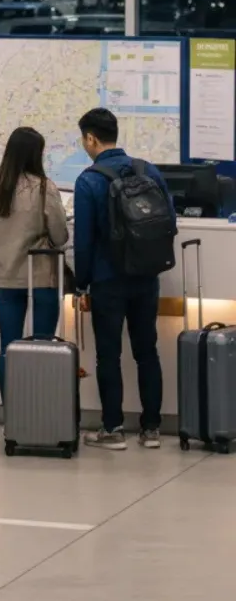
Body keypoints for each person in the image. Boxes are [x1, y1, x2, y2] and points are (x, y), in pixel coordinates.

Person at [72, 107, 171, 450]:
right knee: (147, 352)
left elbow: (82, 241)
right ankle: (152, 429)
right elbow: (168, 220)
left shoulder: (89, 180)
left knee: (108, 355)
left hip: (107, 280)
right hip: (146, 277)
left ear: (91, 138)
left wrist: (80, 282)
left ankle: (113, 429)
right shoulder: (149, 170)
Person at [0, 126, 68, 399]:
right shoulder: (44, 188)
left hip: (6, 277)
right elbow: (59, 235)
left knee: (8, 348)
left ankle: (13, 418)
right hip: (40, 276)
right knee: (43, 346)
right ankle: (39, 416)